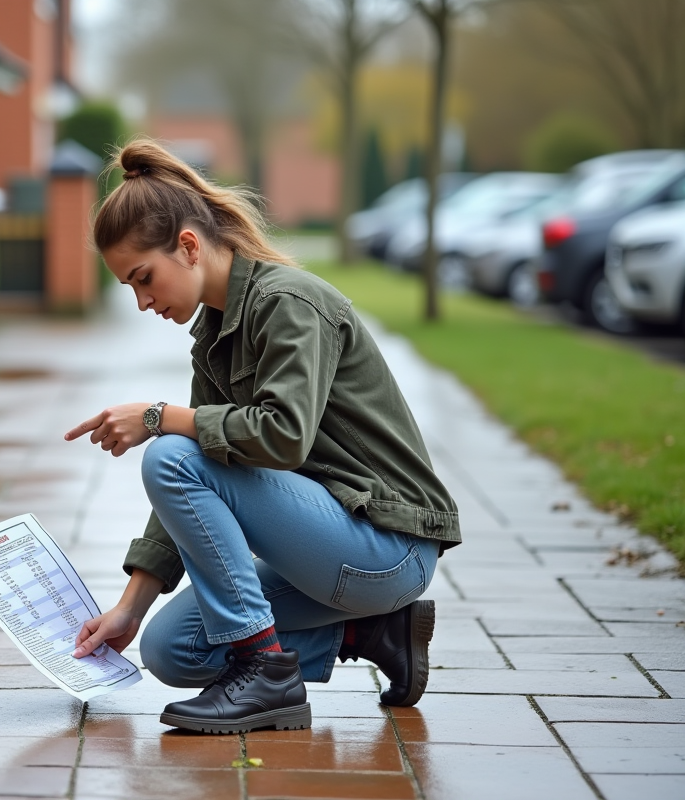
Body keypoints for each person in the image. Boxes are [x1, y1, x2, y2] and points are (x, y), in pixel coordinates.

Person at [64, 138, 460, 735]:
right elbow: (191, 486)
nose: (143, 301)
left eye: (143, 278)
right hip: (331, 550)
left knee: (172, 451)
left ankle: (264, 672)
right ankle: (372, 633)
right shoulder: (218, 338)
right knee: (171, 650)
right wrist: (129, 608)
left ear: (189, 246)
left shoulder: (289, 304)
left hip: (388, 548)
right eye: (130, 289)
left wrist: (156, 416)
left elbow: (283, 438)